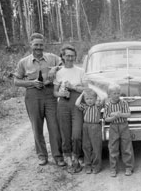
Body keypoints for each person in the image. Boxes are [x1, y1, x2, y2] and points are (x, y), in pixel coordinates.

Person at [14, 33, 64, 166]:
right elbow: (16, 81)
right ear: (31, 45)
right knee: (37, 127)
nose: (38, 47)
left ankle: (58, 156)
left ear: (44, 45)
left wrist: (55, 69)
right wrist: (31, 83)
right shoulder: (23, 62)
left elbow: (65, 64)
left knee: (54, 126)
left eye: (41, 44)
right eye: (36, 44)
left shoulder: (52, 58)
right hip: (33, 95)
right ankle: (42, 156)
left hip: (50, 94)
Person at [53, 44, 85, 174]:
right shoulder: (59, 73)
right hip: (63, 104)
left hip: (77, 103)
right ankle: (68, 159)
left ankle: (77, 157)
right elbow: (55, 92)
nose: (70, 58)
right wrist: (61, 94)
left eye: (72, 55)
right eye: (67, 55)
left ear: (75, 57)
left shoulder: (80, 71)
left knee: (76, 134)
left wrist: (73, 87)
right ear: (63, 57)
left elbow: (86, 89)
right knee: (65, 134)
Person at [104, 83, 134, 177]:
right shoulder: (108, 105)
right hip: (113, 126)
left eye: (118, 93)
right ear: (109, 94)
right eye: (114, 93)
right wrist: (113, 117)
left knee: (126, 146)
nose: (116, 95)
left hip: (124, 126)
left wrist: (119, 114)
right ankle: (113, 168)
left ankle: (128, 167)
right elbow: (106, 118)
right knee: (113, 148)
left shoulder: (123, 103)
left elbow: (128, 114)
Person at [75, 89, 103, 174]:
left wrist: (97, 92)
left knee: (96, 147)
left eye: (91, 98)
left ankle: (96, 166)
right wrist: (82, 94)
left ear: (95, 99)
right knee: (86, 146)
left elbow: (103, 98)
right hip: (86, 126)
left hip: (95, 126)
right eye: (87, 99)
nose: (89, 101)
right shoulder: (85, 106)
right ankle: (88, 165)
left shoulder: (97, 106)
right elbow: (76, 104)